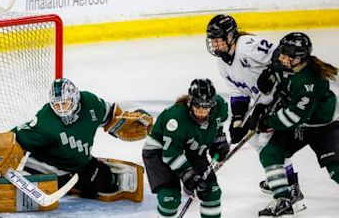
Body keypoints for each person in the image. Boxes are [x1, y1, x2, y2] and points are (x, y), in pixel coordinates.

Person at [205, 14, 305, 207]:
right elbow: (237, 91)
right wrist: (237, 120)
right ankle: (279, 176)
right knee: (253, 138)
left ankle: (290, 185)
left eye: (218, 40)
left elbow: (282, 52)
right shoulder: (222, 63)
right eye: (213, 41)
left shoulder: (248, 46)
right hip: (264, 101)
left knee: (268, 144)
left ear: (230, 36)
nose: (215, 45)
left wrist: (272, 73)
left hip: (283, 95)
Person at [11, 77, 153, 201]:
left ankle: (74, 185)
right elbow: (15, 138)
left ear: (75, 98)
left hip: (80, 164)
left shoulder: (91, 103)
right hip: (49, 167)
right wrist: (0, 152)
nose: (61, 109)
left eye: (64, 103)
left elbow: (111, 116)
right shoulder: (45, 121)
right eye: (56, 105)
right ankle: (63, 183)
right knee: (45, 187)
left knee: (108, 182)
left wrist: (124, 122)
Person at [252, 32, 339, 217]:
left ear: (300, 59)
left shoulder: (310, 81)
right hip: (301, 124)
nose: (281, 57)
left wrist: (267, 121)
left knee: (336, 170)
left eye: (287, 56)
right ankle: (283, 199)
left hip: (323, 125)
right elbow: (275, 68)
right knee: (270, 153)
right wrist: (269, 76)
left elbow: (293, 117)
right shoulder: (281, 59)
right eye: (282, 53)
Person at [142, 78, 230, 218]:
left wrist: (219, 142)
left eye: (206, 107)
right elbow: (170, 154)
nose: (201, 112)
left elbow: (218, 127)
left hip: (193, 149)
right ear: (190, 103)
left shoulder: (220, 106)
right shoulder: (176, 118)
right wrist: (189, 176)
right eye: (197, 107)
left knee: (211, 191)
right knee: (170, 198)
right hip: (160, 151)